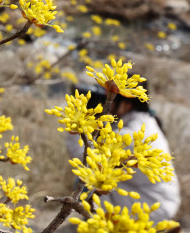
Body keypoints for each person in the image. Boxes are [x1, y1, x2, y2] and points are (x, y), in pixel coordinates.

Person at [66, 81, 181, 222]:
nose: (107, 102)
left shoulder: (130, 135)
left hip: (152, 203)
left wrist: (81, 119)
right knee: (97, 180)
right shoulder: (144, 121)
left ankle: (102, 227)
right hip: (159, 197)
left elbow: (82, 156)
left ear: (127, 104)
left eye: (112, 97)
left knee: (87, 182)